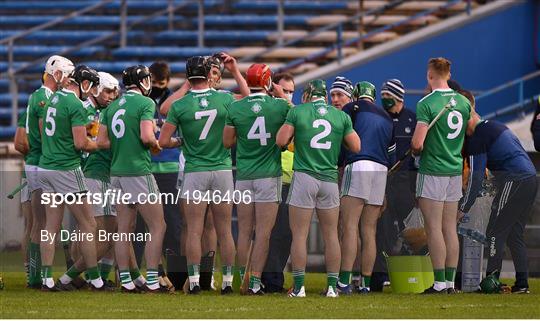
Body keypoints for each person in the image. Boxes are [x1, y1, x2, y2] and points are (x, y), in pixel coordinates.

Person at [158, 56, 236, 295]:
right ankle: (228, 282)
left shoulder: (180, 105)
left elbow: (162, 141)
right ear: (207, 74)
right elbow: (246, 100)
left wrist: (182, 140)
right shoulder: (224, 98)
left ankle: (193, 282)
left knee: (193, 229)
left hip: (194, 171)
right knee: (224, 229)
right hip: (222, 169)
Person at [276, 79, 360, 297]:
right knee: (331, 235)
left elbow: (281, 140)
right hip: (329, 179)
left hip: (304, 176)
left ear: (308, 94)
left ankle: (299, 287)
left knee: (300, 236)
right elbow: (356, 146)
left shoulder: (299, 112)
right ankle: (332, 287)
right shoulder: (340, 116)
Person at [97, 65, 166, 293]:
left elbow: (101, 142)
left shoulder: (112, 105)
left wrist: (124, 141)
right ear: (143, 81)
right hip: (137, 171)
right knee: (158, 226)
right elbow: (147, 137)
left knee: (124, 229)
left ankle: (125, 280)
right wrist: (156, 143)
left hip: (116, 172)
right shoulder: (146, 103)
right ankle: (154, 281)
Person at [223, 63, 290, 295]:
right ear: (267, 81)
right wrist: (281, 93)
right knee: (263, 233)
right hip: (268, 176)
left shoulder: (236, 108)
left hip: (243, 175)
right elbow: (298, 115)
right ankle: (253, 284)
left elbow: (227, 142)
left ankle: (242, 279)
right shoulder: (280, 106)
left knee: (243, 231)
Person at [37, 65, 104, 291]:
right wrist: (100, 145)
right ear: (84, 83)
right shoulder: (75, 103)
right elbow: (80, 143)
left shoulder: (53, 98)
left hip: (45, 167)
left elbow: (51, 129)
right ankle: (95, 279)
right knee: (89, 223)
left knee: (51, 226)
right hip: (66, 168)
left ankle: (46, 278)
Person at [411, 57, 471, 294]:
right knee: (449, 228)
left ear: (430, 75)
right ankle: (449, 283)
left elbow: (417, 143)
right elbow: (469, 129)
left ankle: (439, 284)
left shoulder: (427, 103)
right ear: (449, 73)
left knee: (434, 228)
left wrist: (418, 148)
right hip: (454, 170)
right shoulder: (464, 102)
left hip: (433, 170)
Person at [55, 71, 120, 290]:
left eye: (114, 91)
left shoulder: (99, 110)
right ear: (95, 89)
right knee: (104, 233)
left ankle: (91, 278)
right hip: (92, 175)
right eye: (108, 91)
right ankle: (73, 278)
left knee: (86, 232)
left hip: (93, 175)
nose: (112, 96)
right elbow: (84, 143)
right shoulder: (87, 110)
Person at [460, 111, 537, 294]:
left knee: (495, 230)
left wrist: (463, 207)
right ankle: (522, 284)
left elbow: (476, 177)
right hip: (531, 178)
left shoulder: (477, 137)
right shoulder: (495, 126)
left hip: (515, 179)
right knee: (514, 235)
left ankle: (491, 281)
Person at [337, 81, 395, 294]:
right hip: (381, 170)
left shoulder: (351, 108)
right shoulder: (387, 117)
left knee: (349, 227)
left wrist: (340, 162)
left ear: (356, 94)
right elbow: (393, 155)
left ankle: (343, 282)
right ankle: (366, 284)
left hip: (358, 164)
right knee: (369, 230)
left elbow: (342, 141)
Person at [25, 55, 74, 289]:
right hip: (43, 162)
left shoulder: (40, 96)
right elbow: (46, 136)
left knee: (42, 222)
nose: (68, 79)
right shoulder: (45, 98)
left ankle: (38, 276)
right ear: (56, 74)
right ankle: (37, 277)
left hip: (38, 162)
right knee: (43, 222)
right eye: (66, 74)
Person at [371, 79, 417, 291]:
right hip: (384, 180)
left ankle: (409, 275)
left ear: (398, 96)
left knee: (410, 232)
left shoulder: (413, 119)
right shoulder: (379, 118)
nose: (384, 99)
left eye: (387, 95)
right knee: (383, 231)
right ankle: (380, 277)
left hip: (406, 182)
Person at [261, 72, 296, 293]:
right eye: (284, 89)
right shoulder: (272, 112)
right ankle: (271, 280)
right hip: (274, 177)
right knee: (275, 233)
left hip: (292, 179)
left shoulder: (293, 113)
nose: (288, 95)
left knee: (286, 233)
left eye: (291, 91)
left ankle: (271, 278)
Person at [14, 111, 32, 286]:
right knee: (32, 224)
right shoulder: (31, 108)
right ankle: (31, 273)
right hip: (34, 173)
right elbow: (19, 144)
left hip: (58, 170)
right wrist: (34, 156)